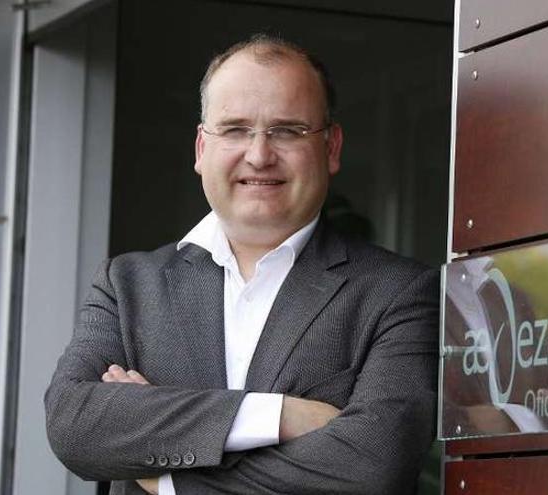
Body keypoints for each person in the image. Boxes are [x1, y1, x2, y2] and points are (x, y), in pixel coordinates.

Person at [45, 34, 439, 495]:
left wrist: (170, 480)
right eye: (234, 129)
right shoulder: (126, 285)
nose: (258, 154)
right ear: (201, 148)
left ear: (331, 148)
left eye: (288, 130)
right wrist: (279, 415)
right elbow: (74, 426)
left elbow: (373, 467)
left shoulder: (400, 293)